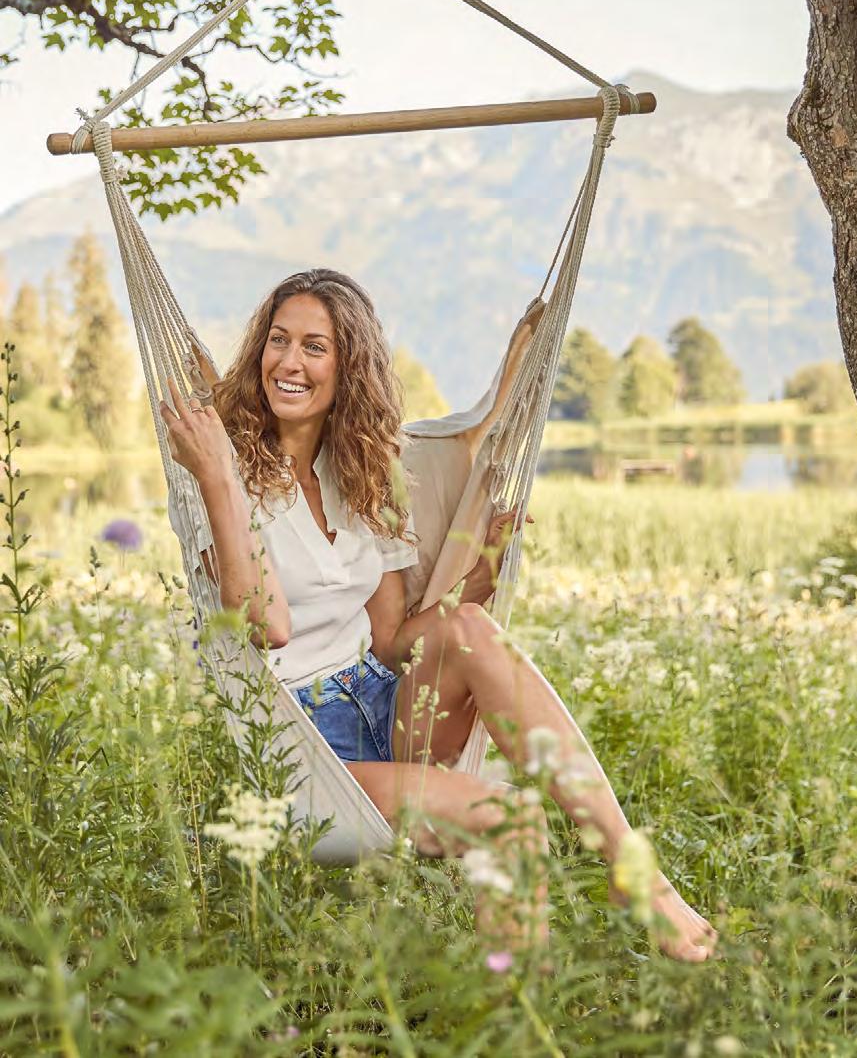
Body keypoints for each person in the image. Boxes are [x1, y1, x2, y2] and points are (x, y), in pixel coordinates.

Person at [160, 267, 716, 962]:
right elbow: (265, 625)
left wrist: (481, 572)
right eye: (278, 340)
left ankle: (634, 869)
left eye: (314, 347)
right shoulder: (218, 470)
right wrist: (217, 476)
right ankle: (514, 1011)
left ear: (348, 369)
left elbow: (393, 641)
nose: (288, 362)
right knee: (511, 820)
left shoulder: (360, 472)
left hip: (379, 704)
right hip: (300, 745)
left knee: (469, 626)